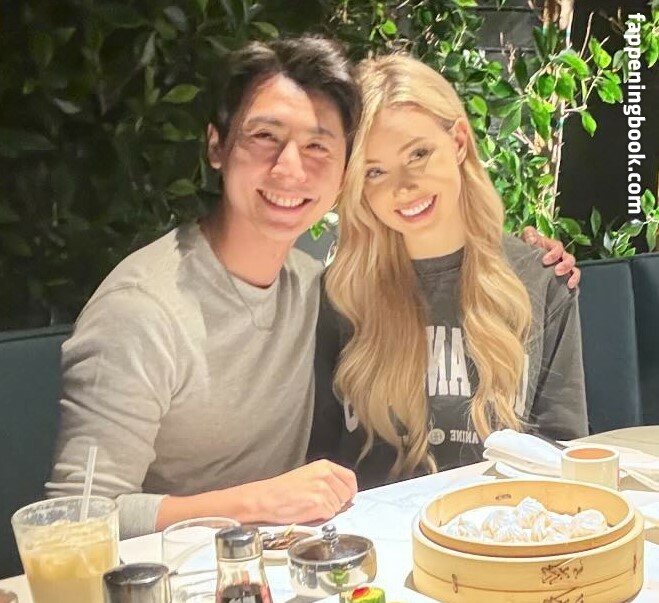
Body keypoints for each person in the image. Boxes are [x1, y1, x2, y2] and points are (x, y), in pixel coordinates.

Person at [47, 37, 579, 538]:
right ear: (216, 146)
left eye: (317, 146)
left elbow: (568, 450)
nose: (290, 168)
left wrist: (528, 259)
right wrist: (259, 501)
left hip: (368, 554)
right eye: (265, 137)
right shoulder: (146, 309)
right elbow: (72, 524)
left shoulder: (312, 287)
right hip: (199, 577)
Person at [308, 54, 588, 490]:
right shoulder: (339, 293)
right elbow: (316, 463)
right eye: (375, 171)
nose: (403, 187)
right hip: (372, 529)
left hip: (500, 524)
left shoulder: (541, 279)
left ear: (458, 141)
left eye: (418, 154)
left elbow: (563, 452)